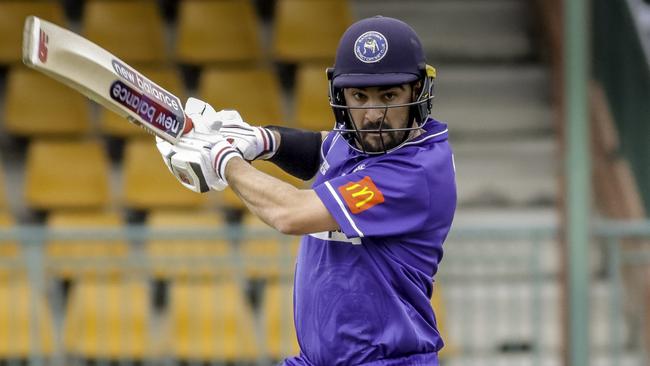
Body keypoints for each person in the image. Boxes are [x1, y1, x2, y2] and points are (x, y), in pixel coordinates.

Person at [157, 15, 456, 366]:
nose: (373, 114)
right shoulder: (361, 141)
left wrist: (224, 159)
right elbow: (322, 148)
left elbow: (291, 214)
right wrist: (262, 139)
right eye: (359, 96)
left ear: (418, 91)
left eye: (389, 95)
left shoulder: (415, 172)